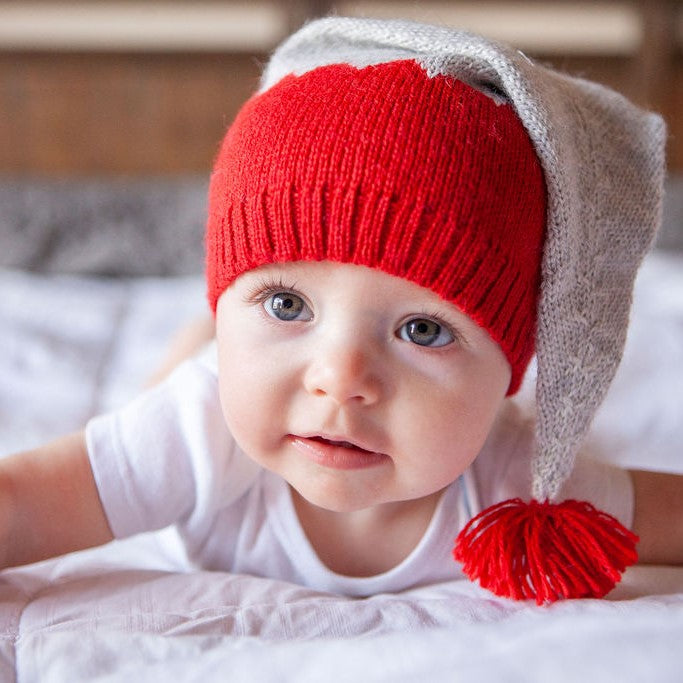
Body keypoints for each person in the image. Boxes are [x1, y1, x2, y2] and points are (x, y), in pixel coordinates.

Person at [1, 16, 681, 605]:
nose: (340, 376)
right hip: (201, 385)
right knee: (176, 378)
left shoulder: (514, 481)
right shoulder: (194, 433)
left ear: (511, 361)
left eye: (422, 328)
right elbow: (24, 502)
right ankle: (201, 337)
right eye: (286, 302)